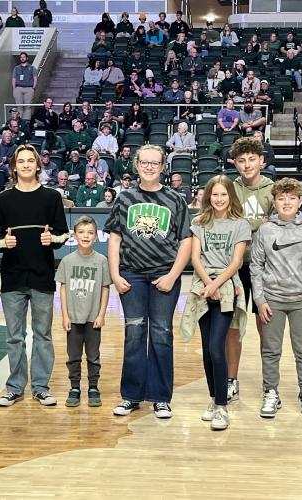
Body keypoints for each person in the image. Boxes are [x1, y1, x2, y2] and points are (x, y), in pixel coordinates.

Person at [105, 144, 191, 419]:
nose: (150, 166)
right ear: (137, 165)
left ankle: (160, 397)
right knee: (134, 334)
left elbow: (186, 240)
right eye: (145, 162)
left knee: (162, 334)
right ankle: (131, 395)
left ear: (163, 167)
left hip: (165, 273)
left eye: (156, 163)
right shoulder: (124, 198)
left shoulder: (175, 199)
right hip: (131, 274)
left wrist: (172, 275)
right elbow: (115, 238)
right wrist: (115, 274)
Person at [0, 145, 70, 407]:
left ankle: (41, 387)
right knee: (15, 336)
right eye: (20, 161)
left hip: (42, 276)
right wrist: (3, 244)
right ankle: (15, 387)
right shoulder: (2, 199)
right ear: (14, 167)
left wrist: (51, 239)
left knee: (43, 335)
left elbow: (63, 234)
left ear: (37, 165)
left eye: (29, 161)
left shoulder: (51, 197)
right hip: (12, 277)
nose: (25, 165)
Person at [181, 176, 249, 430]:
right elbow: (195, 258)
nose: (219, 199)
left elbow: (236, 263)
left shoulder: (240, 224)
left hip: (226, 286)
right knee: (207, 349)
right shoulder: (199, 222)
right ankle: (213, 399)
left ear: (231, 196)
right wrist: (207, 285)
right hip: (203, 286)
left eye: (223, 194)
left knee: (217, 347)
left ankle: (222, 406)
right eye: (214, 194)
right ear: (207, 196)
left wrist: (215, 285)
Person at [250, 177, 302, 420]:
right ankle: (270, 392)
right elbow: (256, 267)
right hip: (273, 300)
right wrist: (260, 300)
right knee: (271, 350)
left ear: (299, 201)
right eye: (281, 198)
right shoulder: (265, 230)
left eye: (292, 198)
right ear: (274, 202)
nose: (287, 202)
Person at [226, 137, 274, 402]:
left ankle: (270, 384)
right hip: (234, 266)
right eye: (241, 160)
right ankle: (231, 381)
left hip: (264, 267)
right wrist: (259, 225)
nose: (247, 165)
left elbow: (275, 228)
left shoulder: (273, 189)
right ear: (235, 163)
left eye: (252, 159)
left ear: (261, 161)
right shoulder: (228, 189)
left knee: (265, 325)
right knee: (233, 325)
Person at [56, 216, 111, 407]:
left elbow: (105, 287)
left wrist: (101, 314)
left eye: (90, 233)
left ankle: (93, 387)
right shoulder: (67, 261)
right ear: (74, 235)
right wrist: (64, 315)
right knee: (73, 355)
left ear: (96, 236)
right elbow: (63, 288)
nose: (85, 236)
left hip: (93, 318)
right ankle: (75, 387)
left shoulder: (101, 260)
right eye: (81, 232)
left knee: (93, 355)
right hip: (73, 317)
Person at [11, 52, 37, 122]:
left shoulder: (32, 68)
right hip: (18, 88)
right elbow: (13, 79)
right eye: (21, 57)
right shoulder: (16, 68)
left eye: (24, 57)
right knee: (19, 107)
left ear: (27, 58)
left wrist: (33, 88)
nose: (22, 58)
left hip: (29, 88)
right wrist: (14, 89)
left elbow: (35, 78)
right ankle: (19, 122)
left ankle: (26, 122)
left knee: (27, 106)